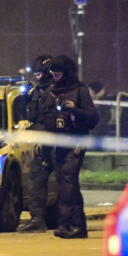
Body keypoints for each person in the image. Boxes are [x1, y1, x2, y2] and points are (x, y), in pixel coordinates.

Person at [42, 55, 99, 239]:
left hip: (75, 142)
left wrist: (75, 110)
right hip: (58, 144)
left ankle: (76, 225)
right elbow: (44, 118)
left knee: (68, 180)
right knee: (63, 181)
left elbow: (93, 118)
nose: (55, 75)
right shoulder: (51, 92)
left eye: (58, 72)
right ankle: (67, 224)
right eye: (53, 72)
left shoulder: (79, 91)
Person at [17, 54, 54, 233]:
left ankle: (70, 221)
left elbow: (58, 118)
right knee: (36, 181)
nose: (37, 76)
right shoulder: (37, 91)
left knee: (65, 182)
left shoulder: (58, 90)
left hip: (57, 144)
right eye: (35, 73)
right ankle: (37, 219)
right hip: (42, 144)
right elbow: (31, 115)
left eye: (40, 72)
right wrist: (24, 97)